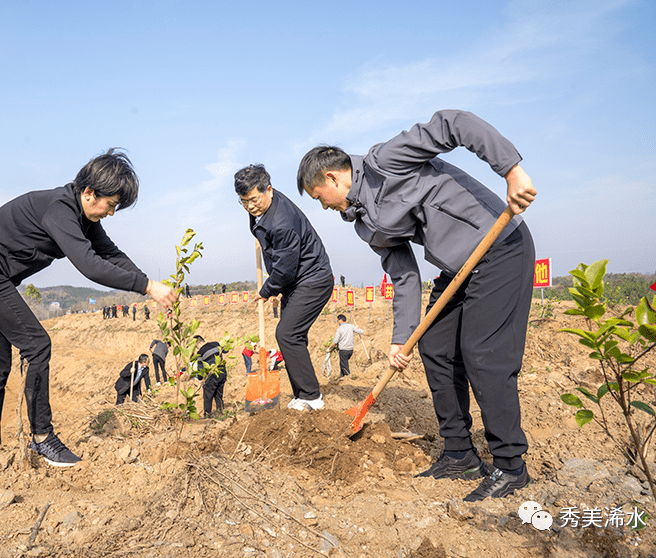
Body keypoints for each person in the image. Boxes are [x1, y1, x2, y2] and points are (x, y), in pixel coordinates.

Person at [297, 109, 537, 502]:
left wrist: (510, 170)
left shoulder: (386, 161)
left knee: (482, 354)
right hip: (457, 267)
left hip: (498, 247)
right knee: (435, 346)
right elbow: (404, 275)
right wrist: (400, 338)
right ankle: (459, 452)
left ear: (332, 178)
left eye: (319, 198)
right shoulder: (364, 223)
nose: (323, 207)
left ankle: (511, 466)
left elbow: (454, 124)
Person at [0, 149, 178, 467]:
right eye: (111, 205)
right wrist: (147, 286)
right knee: (37, 344)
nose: (111, 213)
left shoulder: (81, 216)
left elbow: (110, 255)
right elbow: (89, 265)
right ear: (89, 193)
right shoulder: (59, 210)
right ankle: (43, 438)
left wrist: (149, 287)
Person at [235, 164, 334, 411]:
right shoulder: (264, 206)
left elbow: (285, 269)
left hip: (312, 279)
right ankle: (302, 395)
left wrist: (266, 291)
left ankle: (311, 397)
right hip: (298, 280)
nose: (249, 206)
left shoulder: (282, 223)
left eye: (254, 200)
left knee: (287, 334)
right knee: (292, 336)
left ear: (268, 189)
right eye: (243, 202)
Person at [195, 336, 226, 418]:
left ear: (200, 343)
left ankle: (207, 415)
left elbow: (200, 368)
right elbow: (226, 350)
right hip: (222, 372)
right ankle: (221, 413)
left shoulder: (200, 353)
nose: (196, 348)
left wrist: (200, 379)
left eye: (196, 346)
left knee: (208, 395)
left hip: (212, 375)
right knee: (218, 395)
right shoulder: (216, 343)